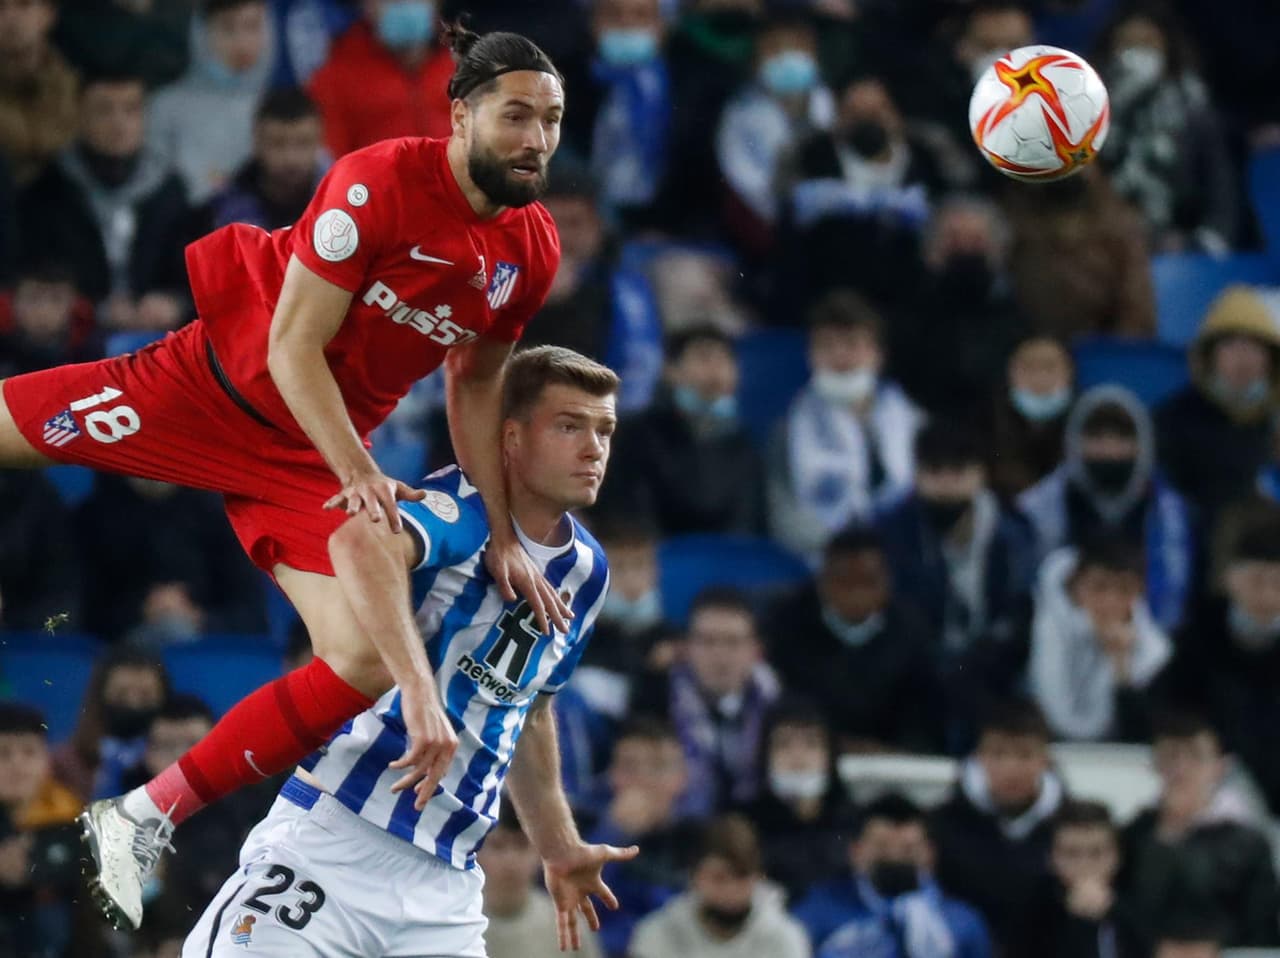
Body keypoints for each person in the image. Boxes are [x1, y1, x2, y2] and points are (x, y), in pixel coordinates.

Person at [38, 24, 570, 931]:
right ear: (460, 116)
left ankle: (140, 815)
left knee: (363, 659)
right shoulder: (377, 180)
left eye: (552, 121)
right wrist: (361, 467)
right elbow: (290, 346)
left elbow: (475, 379)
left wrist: (505, 531)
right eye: (516, 115)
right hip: (205, 391)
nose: (536, 139)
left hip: (298, 457)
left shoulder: (531, 249)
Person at [181, 346, 632, 956]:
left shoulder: (587, 571)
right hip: (336, 842)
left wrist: (557, 846)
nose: (593, 448)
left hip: (446, 889)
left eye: (604, 429)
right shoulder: (458, 505)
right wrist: (418, 691)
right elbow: (362, 543)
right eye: (569, 425)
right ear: (511, 437)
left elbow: (530, 708)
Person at [17, 68, 191, 322]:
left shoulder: (169, 189)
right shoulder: (49, 189)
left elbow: (187, 275)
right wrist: (91, 309)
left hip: (156, 335)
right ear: (79, 116)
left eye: (130, 110)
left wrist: (175, 302)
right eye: (103, 110)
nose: (118, 123)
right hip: (74, 338)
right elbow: (33, 276)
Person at [1019, 385, 1195, 630]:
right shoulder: (1037, 509)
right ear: (1075, 443)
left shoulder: (1171, 513)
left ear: (1142, 445)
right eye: (1097, 439)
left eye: (1121, 439)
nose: (1110, 450)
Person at [768, 289, 922, 560]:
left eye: (852, 344)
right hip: (824, 559)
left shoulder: (914, 422)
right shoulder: (788, 429)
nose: (839, 355)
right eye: (826, 345)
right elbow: (785, 517)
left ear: (878, 354)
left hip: (907, 556)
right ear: (810, 356)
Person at [766, 527, 946, 754]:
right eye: (845, 582)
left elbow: (924, 711)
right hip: (808, 753)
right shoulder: (785, 623)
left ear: (887, 582)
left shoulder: (912, 629)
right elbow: (780, 702)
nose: (856, 594)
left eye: (868, 581)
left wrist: (894, 751)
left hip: (889, 759)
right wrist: (833, 745)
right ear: (822, 580)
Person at [876, 420, 1035, 657]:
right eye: (935, 470)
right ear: (917, 474)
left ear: (981, 474)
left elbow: (1021, 611)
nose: (947, 483)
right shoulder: (891, 532)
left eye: (958, 470)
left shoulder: (1015, 532)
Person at [1120, 711, 1280, 948]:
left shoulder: (1247, 841)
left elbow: (1260, 923)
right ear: (1155, 763)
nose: (1181, 768)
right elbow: (1129, 910)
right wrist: (1168, 833)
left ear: (1219, 766)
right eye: (1171, 756)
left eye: (1195, 755)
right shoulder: (1135, 833)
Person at [1094, 2, 1239, 253]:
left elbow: (1221, 191)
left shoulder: (1195, 110)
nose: (1138, 54)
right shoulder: (1088, 113)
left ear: (1167, 49)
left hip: (1181, 247)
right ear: (1110, 50)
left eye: (1148, 44)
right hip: (1105, 246)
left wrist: (1201, 243)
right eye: (1128, 44)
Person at [1159, 513, 1280, 812]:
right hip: (1210, 782)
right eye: (1256, 580)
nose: (1266, 594)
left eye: (1277, 582)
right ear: (1230, 578)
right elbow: (1174, 707)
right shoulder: (1199, 630)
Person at [930, 698, 1066, 952]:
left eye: (1024, 754)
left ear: (1045, 759)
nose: (1011, 769)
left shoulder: (1069, 825)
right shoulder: (942, 825)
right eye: (999, 754)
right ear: (979, 757)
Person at [603, 324, 765, 536]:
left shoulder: (746, 442)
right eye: (704, 358)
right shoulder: (638, 436)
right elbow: (634, 514)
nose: (717, 369)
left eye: (726, 359)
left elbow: (748, 520)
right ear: (671, 370)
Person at [634, 587, 781, 816]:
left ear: (756, 650)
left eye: (732, 642)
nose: (720, 654)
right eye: (708, 641)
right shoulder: (654, 704)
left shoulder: (778, 708)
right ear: (686, 647)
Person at [793, 792, 993, 958]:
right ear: (856, 851)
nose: (895, 858)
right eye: (882, 848)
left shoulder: (961, 923)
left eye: (908, 850)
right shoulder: (818, 911)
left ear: (929, 854)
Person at [75, 474, 268, 644]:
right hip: (120, 645)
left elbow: (252, 614)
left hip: (203, 636)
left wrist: (198, 617)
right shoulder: (93, 517)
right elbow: (79, 611)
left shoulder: (218, 514)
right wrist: (141, 610)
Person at [889, 196, 1026, 423]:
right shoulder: (904, 320)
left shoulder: (1019, 321)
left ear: (997, 251)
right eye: (953, 240)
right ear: (930, 251)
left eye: (976, 240)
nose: (964, 249)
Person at [1155, 286, 1280, 526]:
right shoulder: (1174, 420)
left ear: (1271, 358)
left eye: (1254, 345)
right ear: (1208, 355)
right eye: (1230, 344)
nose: (1243, 357)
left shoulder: (1273, 420)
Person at [1029, 537, 1172, 742]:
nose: (1110, 602)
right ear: (1074, 588)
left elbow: (1140, 736)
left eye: (1124, 589)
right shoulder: (1037, 627)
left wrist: (1121, 667)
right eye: (1099, 587)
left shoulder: (1155, 651)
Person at [716, 9, 834, 253]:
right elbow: (740, 171)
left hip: (824, 213)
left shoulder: (826, 100)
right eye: (774, 50)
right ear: (756, 60)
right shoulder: (741, 110)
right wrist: (779, 214)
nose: (786, 58)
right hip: (765, 218)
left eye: (796, 48)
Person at [584, 717, 704, 958]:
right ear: (612, 776)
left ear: (681, 779)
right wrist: (613, 834)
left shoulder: (699, 840)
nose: (644, 780)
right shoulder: (582, 829)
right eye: (630, 768)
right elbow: (575, 908)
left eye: (659, 767)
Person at [1001, 167, 1156, 339]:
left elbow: (1137, 313)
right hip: (1032, 344)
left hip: (1104, 348)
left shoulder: (1120, 229)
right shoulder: (1019, 228)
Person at [630, 814, 812, 958]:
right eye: (719, 878)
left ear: (758, 877)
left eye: (741, 876)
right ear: (694, 877)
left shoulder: (785, 938)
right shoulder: (657, 934)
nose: (731, 890)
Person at [148, 0, 275, 203]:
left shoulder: (281, 109)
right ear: (201, 33)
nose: (241, 42)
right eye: (227, 27)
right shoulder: (166, 107)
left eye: (252, 26)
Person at [307, 0, 455, 158]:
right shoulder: (334, 77)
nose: (404, 5)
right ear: (365, 6)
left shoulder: (466, 61)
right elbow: (331, 163)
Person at [744, 699, 857, 903]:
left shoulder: (855, 823)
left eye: (811, 744)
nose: (798, 757)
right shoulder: (744, 824)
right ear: (765, 756)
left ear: (829, 755)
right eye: (783, 745)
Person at [0, 703, 84, 958]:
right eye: (3, 754)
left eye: (29, 752)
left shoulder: (73, 821)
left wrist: (31, 872)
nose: (17, 765)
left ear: (47, 760)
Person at [1012, 800, 1147, 958]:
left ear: (1117, 857)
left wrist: (1116, 912)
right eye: (1071, 853)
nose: (1084, 865)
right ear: (1051, 858)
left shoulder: (1139, 903)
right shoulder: (1032, 910)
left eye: (1096, 853)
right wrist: (1079, 923)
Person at [194, 86, 325, 234]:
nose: (291, 158)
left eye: (304, 143)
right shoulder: (220, 211)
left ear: (319, 142)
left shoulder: (338, 203)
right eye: (278, 143)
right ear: (257, 142)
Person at [480, 801, 603, 958]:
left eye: (522, 845)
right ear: (476, 852)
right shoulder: (456, 921)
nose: (510, 861)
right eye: (498, 846)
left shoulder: (569, 925)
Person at [51, 648, 171, 803]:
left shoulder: (177, 761)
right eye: (121, 694)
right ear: (100, 697)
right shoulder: (64, 764)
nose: (133, 703)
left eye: (145, 695)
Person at [0, 0, 78, 185]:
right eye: (0, 8)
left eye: (24, 5)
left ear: (48, 14)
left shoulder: (74, 82)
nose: (12, 18)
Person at [989, 335, 1073, 503]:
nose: (1039, 378)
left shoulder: (1084, 420)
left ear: (1069, 372)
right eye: (1029, 368)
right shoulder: (986, 420)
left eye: (1049, 368)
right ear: (1010, 372)